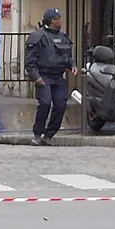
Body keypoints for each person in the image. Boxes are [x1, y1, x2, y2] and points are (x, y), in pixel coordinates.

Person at [24, 8, 77, 146]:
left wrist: (72, 66)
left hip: (58, 77)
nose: (61, 21)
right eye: (59, 18)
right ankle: (37, 134)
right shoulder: (39, 36)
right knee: (45, 103)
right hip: (44, 76)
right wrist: (36, 77)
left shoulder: (63, 36)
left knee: (60, 104)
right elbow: (30, 61)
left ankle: (49, 134)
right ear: (53, 21)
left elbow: (67, 55)